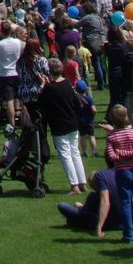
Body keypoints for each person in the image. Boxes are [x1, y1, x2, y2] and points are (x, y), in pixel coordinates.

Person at [103, 104, 133, 243]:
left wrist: (121, 153)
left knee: (126, 203)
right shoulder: (132, 133)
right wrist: (129, 153)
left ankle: (128, 235)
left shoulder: (112, 136)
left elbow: (112, 156)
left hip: (122, 171)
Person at [39, 58, 87, 195]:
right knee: (75, 153)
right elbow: (77, 104)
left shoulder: (49, 88)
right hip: (72, 123)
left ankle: (74, 185)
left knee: (66, 155)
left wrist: (43, 85)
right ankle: (82, 182)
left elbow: (41, 103)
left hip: (59, 125)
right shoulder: (68, 84)